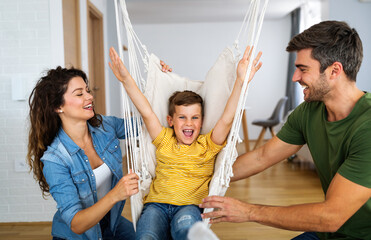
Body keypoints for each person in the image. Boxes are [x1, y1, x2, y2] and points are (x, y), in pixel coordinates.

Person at [200, 20, 371, 240]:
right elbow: (262, 157)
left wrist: (249, 211)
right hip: (327, 233)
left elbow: (331, 215)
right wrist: (193, 174)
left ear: (334, 70)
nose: (295, 78)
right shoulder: (308, 112)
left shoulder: (367, 126)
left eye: (303, 69)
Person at [109, 46, 262, 240]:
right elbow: (146, 112)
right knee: (146, 236)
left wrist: (240, 81)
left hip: (190, 206)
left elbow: (226, 119)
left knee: (186, 232)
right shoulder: (164, 139)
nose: (189, 123)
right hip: (156, 205)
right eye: (182, 117)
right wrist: (126, 79)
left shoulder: (207, 144)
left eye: (195, 117)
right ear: (171, 121)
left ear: (202, 121)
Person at [27, 62, 171, 240]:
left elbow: (148, 125)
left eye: (87, 91)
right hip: (77, 235)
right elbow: (76, 223)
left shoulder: (104, 126)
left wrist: (162, 85)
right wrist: (115, 194)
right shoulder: (55, 159)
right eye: (80, 94)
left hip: (111, 222)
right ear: (58, 107)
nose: (89, 97)